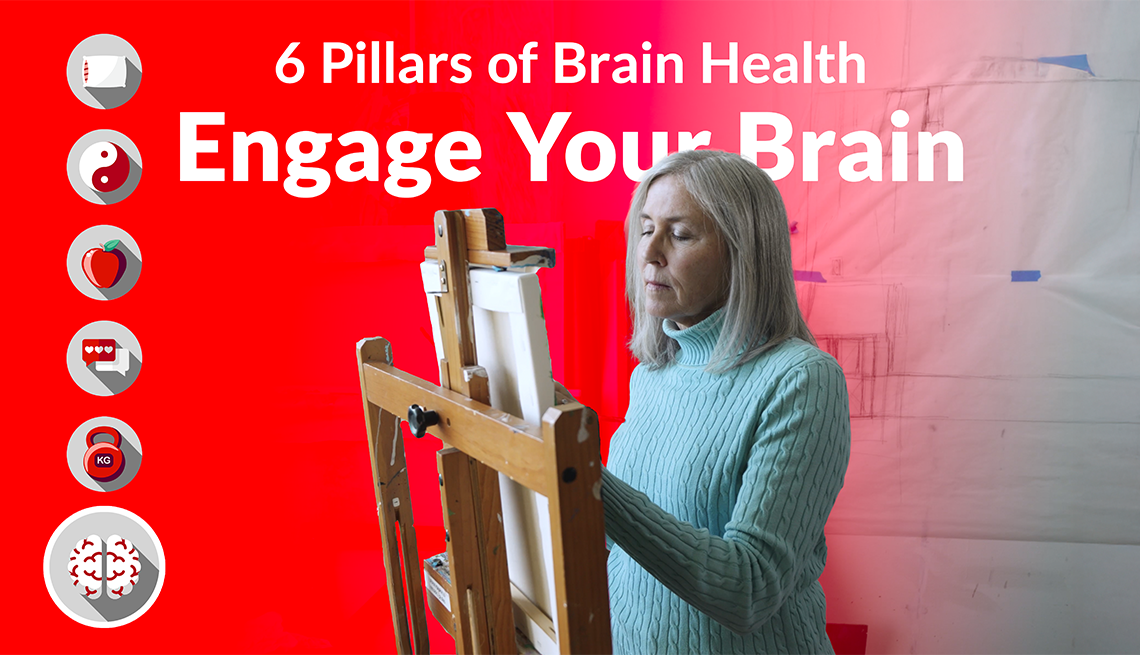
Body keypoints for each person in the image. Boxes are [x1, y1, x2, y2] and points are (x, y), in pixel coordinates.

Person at [597, 149, 851, 654]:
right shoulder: (654, 372)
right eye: (646, 228)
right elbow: (621, 547)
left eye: (681, 233)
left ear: (743, 253)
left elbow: (750, 591)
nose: (650, 253)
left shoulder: (801, 380)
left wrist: (584, 478)